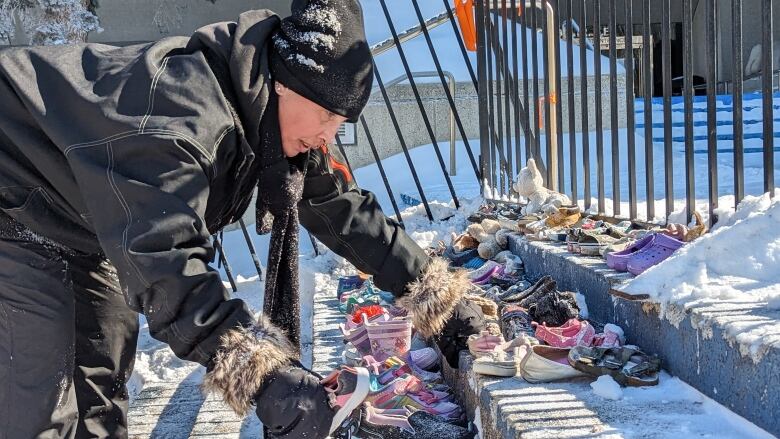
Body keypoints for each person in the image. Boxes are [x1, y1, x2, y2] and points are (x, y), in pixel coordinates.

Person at [0, 0, 486, 438]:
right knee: (44, 387)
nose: (327, 136)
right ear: (284, 85)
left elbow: (339, 207)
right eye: (327, 117)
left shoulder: (270, 118)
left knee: (98, 378)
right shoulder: (182, 124)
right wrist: (264, 374)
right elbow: (165, 262)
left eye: (340, 124)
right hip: (11, 191)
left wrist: (431, 293)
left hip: (70, 210)